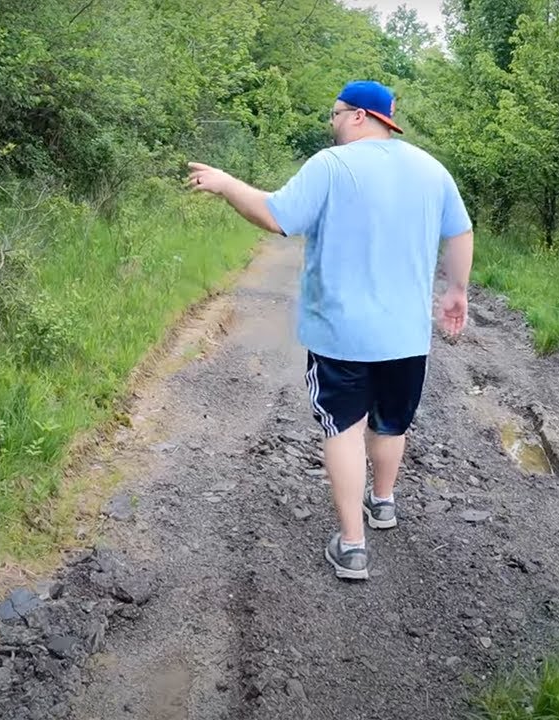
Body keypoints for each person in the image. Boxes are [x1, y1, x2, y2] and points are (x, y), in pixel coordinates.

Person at [187, 79, 474, 580]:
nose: (333, 123)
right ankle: (381, 502)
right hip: (406, 335)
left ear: (360, 116)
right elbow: (460, 230)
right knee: (391, 423)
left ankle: (352, 546)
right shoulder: (432, 170)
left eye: (336, 113)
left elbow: (277, 217)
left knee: (344, 428)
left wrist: (228, 183)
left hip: (340, 334)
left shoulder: (331, 165)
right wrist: (457, 290)